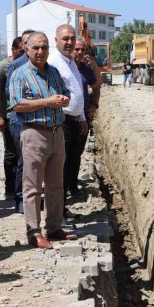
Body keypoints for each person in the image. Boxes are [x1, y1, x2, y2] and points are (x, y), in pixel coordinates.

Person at [9, 31, 79, 249]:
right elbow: (17, 105)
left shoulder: (54, 72)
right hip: (35, 133)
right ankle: (34, 231)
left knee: (56, 185)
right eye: (36, 48)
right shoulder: (20, 74)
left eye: (44, 48)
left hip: (57, 133)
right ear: (27, 50)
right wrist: (47, 102)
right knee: (32, 186)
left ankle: (54, 227)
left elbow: (64, 92)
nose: (40, 52)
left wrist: (64, 98)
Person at [47, 25, 88, 217]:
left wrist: (81, 117)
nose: (70, 42)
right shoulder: (53, 63)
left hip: (73, 120)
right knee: (60, 171)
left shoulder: (70, 62)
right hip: (61, 121)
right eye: (65, 38)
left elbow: (76, 91)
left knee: (69, 166)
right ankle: (56, 215)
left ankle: (61, 209)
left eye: (72, 38)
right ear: (56, 41)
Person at [6, 29, 36, 213]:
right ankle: (20, 200)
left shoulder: (43, 65)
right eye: (27, 43)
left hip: (37, 121)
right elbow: (12, 96)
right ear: (24, 46)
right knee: (23, 162)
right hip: (20, 120)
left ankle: (32, 197)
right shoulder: (16, 65)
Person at [0, 36, 23, 201]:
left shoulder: (29, 66)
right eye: (22, 51)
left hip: (26, 117)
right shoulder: (3, 67)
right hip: (10, 118)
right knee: (11, 154)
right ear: (14, 50)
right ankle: (10, 188)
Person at [66, 38, 100, 196]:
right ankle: (63, 186)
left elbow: (96, 87)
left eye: (82, 50)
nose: (79, 52)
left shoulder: (87, 70)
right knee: (66, 155)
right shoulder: (64, 68)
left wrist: (94, 105)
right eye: (76, 49)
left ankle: (72, 184)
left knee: (77, 152)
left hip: (83, 119)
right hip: (67, 119)